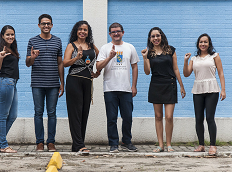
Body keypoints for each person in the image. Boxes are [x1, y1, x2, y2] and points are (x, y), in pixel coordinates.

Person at [96, 22, 139, 153]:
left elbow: (135, 66)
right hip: (110, 88)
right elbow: (98, 67)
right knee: (111, 118)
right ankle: (113, 143)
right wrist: (109, 57)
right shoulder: (105, 48)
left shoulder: (130, 47)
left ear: (123, 32)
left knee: (128, 117)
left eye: (118, 31)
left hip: (126, 89)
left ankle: (127, 141)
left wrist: (134, 86)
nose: (116, 33)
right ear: (110, 34)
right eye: (113, 32)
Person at [141, 27, 185, 153]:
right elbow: (147, 71)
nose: (155, 38)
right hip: (156, 84)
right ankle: (160, 145)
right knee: (158, 116)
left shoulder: (170, 50)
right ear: (150, 39)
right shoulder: (149, 53)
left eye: (157, 35)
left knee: (169, 117)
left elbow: (176, 68)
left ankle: (169, 144)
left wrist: (181, 85)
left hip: (170, 84)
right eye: (153, 36)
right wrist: (144, 58)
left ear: (162, 36)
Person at [26, 14, 64, 152]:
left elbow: (60, 63)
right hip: (37, 83)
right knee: (38, 112)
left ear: (52, 25)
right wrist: (33, 58)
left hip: (53, 83)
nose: (46, 26)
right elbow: (27, 63)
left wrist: (62, 83)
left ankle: (51, 142)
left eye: (48, 23)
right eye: (43, 24)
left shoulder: (58, 41)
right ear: (39, 25)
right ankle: (39, 143)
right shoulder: (32, 41)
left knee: (52, 113)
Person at [183, 33, 226, 155]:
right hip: (197, 90)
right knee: (198, 119)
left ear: (209, 44)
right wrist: (186, 61)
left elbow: (221, 73)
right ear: (198, 44)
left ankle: (213, 145)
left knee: (210, 118)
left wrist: (223, 89)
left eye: (205, 42)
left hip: (212, 89)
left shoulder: (215, 56)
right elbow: (186, 74)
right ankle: (201, 145)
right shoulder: (194, 59)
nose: (203, 44)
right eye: (201, 42)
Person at [63, 20, 100, 155]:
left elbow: (99, 60)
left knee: (84, 113)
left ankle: (77, 145)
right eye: (80, 29)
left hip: (87, 82)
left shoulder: (92, 46)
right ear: (76, 31)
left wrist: (97, 72)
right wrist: (77, 57)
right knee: (75, 113)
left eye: (85, 29)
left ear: (88, 32)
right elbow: (65, 63)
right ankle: (80, 144)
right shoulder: (71, 45)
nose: (82, 32)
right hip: (74, 81)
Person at [0, 25, 19, 153]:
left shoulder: (12, 48)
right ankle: (3, 145)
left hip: (12, 83)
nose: (10, 37)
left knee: (13, 115)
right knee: (3, 115)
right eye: (8, 34)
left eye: (12, 34)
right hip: (5, 82)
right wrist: (1, 58)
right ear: (2, 35)